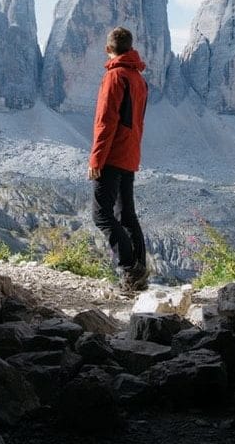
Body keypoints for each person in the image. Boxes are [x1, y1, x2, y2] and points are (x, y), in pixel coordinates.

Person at [88, 26, 150, 293]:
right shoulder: (138, 78)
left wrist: (96, 159)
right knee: (126, 215)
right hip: (130, 153)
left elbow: (106, 121)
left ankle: (130, 269)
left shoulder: (115, 76)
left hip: (112, 155)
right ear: (130, 47)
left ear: (108, 49)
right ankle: (140, 275)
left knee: (101, 215)